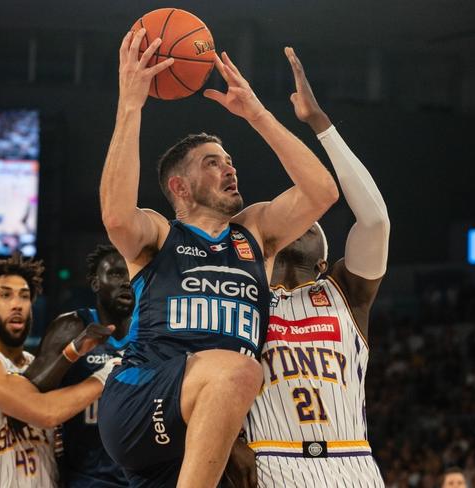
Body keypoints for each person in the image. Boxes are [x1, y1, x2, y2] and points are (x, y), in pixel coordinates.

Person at [97, 28, 339, 488]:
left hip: (207, 423)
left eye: (229, 159)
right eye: (212, 162)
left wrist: (259, 115)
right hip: (141, 397)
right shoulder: (161, 234)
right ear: (179, 188)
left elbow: (322, 192)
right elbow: (115, 216)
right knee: (238, 367)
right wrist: (130, 104)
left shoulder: (254, 235)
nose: (229, 166)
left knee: (233, 376)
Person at [234, 47, 390, 486]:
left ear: (325, 254)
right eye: (285, 214)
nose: (296, 220)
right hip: (269, 459)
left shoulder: (346, 291)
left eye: (308, 218)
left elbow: (375, 220)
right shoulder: (237, 296)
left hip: (352, 461)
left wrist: (320, 123)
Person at [0, 255, 118, 488]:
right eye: (5, 294)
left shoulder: (34, 364)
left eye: (24, 296)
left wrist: (72, 351)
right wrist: (105, 374)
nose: (17, 303)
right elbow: (45, 411)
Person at [22, 244, 134, 487]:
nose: (126, 282)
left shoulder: (155, 332)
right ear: (95, 283)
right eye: (116, 273)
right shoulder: (71, 326)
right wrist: (73, 351)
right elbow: (29, 395)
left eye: (132, 274)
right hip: (87, 477)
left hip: (142, 478)